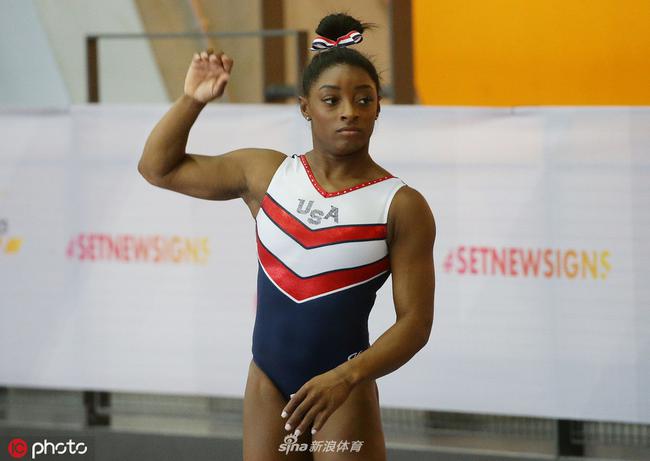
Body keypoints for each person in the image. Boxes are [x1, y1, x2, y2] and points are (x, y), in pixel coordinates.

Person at [138, 12, 435, 461]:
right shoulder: (266, 173)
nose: (349, 111)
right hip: (268, 382)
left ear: (378, 107)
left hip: (343, 390)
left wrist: (348, 377)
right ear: (305, 107)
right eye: (331, 100)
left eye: (363, 99)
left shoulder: (400, 204)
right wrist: (192, 101)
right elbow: (157, 168)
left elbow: (415, 323)